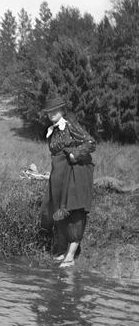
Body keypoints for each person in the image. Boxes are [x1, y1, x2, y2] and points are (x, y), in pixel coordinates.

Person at [39, 95, 96, 268]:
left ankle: (71, 255)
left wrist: (74, 154)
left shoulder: (69, 125)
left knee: (74, 208)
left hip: (75, 171)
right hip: (59, 173)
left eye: (55, 111)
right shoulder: (53, 130)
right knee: (56, 207)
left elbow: (90, 142)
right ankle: (64, 249)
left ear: (62, 111)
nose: (51, 114)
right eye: (49, 112)